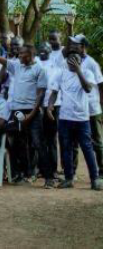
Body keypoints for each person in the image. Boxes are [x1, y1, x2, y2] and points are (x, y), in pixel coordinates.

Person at [0, 37, 51, 186]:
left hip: (32, 112)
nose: (19, 56)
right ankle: (21, 174)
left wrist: (31, 115)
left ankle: (49, 178)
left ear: (31, 55)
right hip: (16, 111)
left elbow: (40, 95)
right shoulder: (16, 66)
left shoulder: (40, 70)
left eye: (22, 54)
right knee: (16, 143)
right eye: (19, 54)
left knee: (38, 143)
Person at [47, 38, 102, 190]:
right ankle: (69, 178)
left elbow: (88, 89)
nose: (73, 62)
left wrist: (78, 71)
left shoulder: (87, 73)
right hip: (65, 118)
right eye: (71, 60)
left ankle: (95, 179)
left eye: (76, 60)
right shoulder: (61, 74)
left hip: (82, 118)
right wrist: (50, 106)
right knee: (66, 148)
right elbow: (54, 92)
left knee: (87, 148)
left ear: (80, 61)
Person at [77, 35, 103, 178]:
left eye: (76, 45)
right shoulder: (74, 61)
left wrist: (101, 105)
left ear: (83, 47)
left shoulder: (92, 63)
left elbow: (101, 84)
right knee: (80, 142)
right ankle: (73, 172)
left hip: (93, 108)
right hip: (80, 109)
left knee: (97, 141)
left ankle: (102, 171)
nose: (73, 47)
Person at [39, 41, 63, 181]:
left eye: (46, 48)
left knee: (51, 139)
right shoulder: (35, 63)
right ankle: (41, 169)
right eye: (40, 48)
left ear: (50, 51)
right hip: (37, 106)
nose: (43, 50)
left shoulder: (56, 66)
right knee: (39, 140)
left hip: (54, 106)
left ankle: (53, 170)